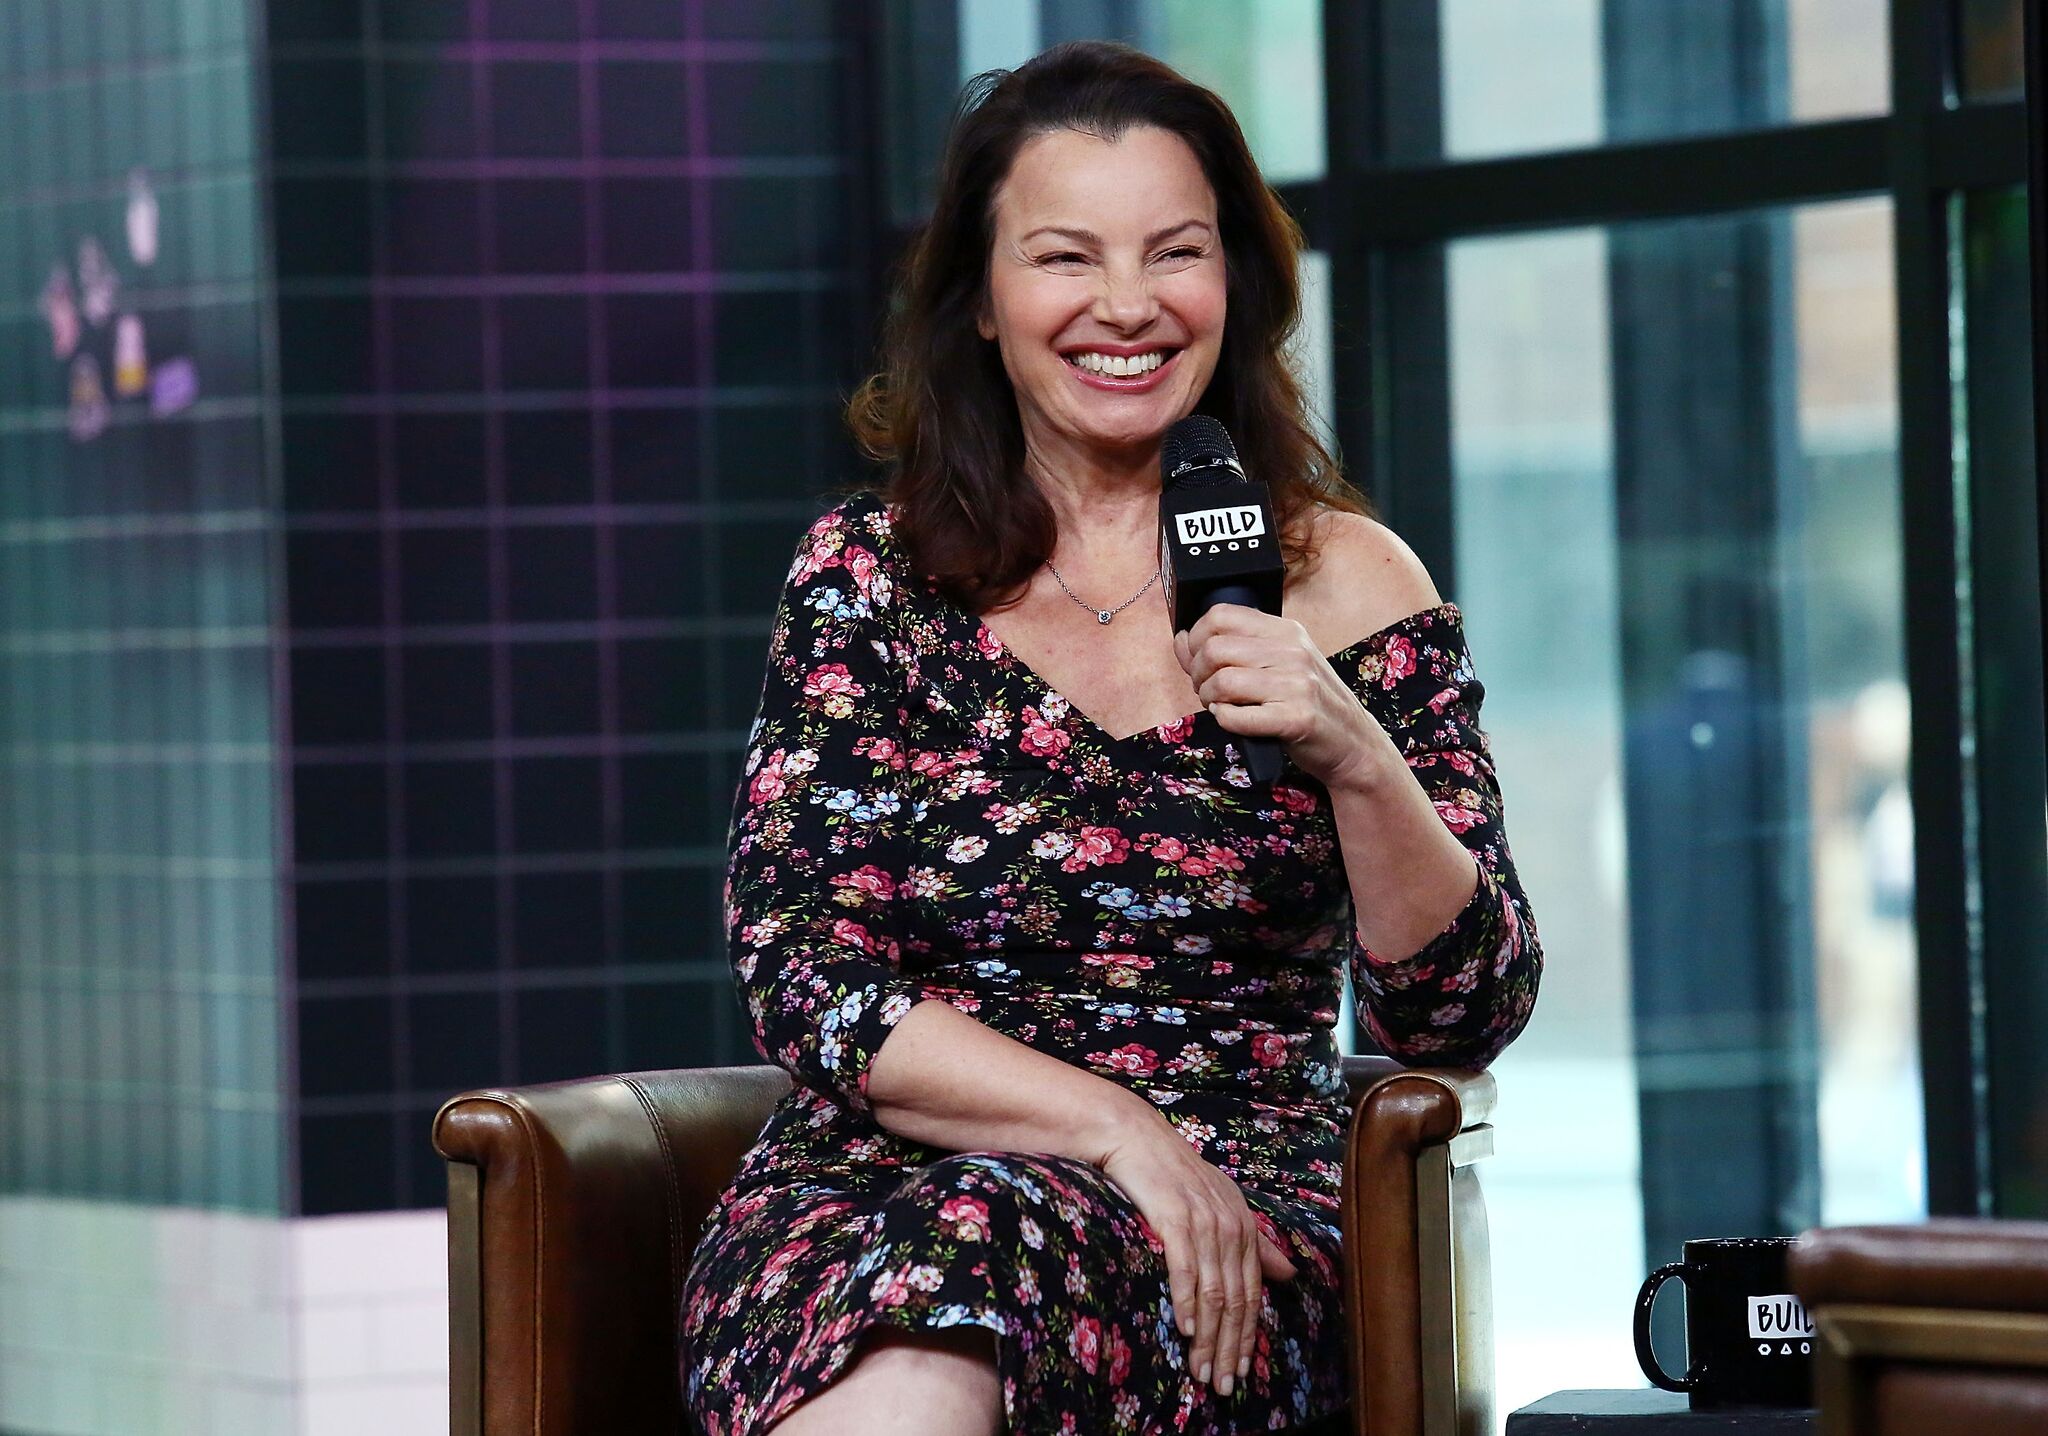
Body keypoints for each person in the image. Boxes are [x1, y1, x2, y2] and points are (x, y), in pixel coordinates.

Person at [678, 39, 1541, 1436]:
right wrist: (1113, 1128)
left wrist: (1352, 749)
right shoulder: (870, 578)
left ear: (1236, 287)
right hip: (869, 1195)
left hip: (1225, 1240)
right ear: (980, 300)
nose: (1127, 306)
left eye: (1175, 253)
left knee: (976, 1264)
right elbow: (802, 971)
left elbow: (1463, 1012)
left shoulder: (1354, 580)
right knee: (946, 1255)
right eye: (1067, 257)